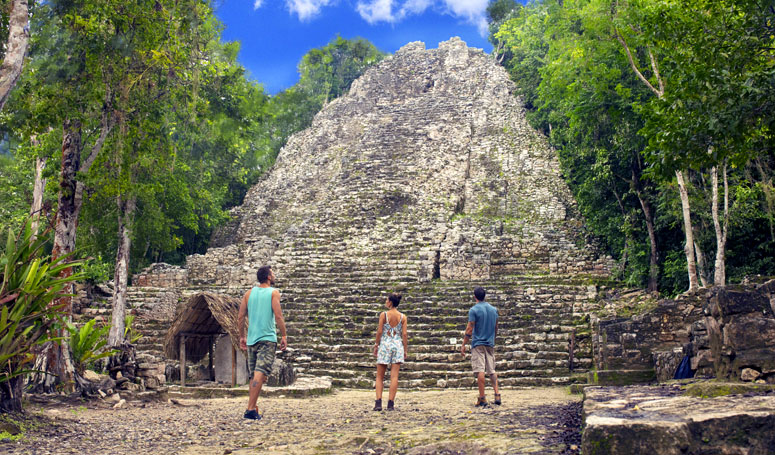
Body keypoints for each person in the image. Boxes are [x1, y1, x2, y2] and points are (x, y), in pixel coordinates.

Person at [238, 265, 287, 420]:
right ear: (268, 277)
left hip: (252, 339)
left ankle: (252, 407)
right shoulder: (273, 292)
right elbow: (278, 316)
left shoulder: (248, 294)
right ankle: (250, 409)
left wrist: (241, 336)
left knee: (255, 376)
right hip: (267, 338)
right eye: (272, 273)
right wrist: (284, 335)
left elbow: (240, 317)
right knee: (260, 374)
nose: (274, 275)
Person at [460, 286, 500, 407]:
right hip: (490, 342)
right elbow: (496, 327)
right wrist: (493, 338)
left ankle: (482, 397)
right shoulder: (494, 310)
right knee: (492, 370)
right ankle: (497, 394)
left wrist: (464, 344)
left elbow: (470, 328)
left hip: (478, 343)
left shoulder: (474, 310)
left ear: (475, 296)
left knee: (480, 370)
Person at [372, 293, 408, 411]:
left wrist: (376, 344)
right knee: (394, 376)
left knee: (379, 376)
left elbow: (380, 330)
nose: (386, 302)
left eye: (387, 300)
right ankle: (391, 403)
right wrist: (405, 349)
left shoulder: (384, 315)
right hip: (397, 345)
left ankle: (378, 402)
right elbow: (404, 334)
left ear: (390, 302)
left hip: (385, 344)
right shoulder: (403, 317)